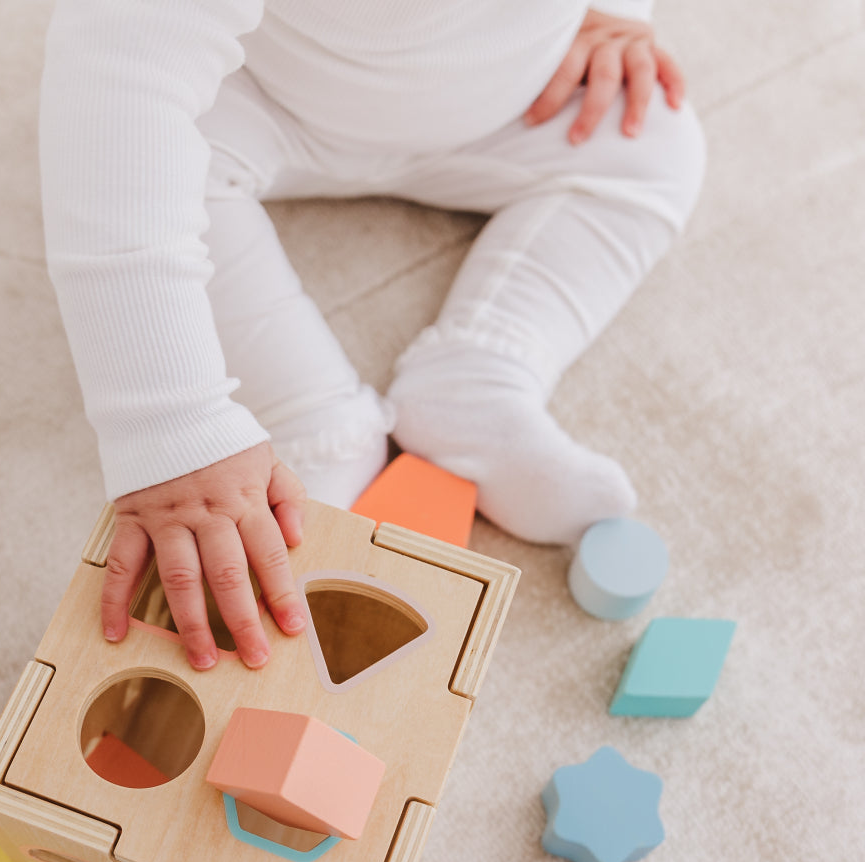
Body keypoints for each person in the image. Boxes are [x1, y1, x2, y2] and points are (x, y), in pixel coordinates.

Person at [39, 0, 705, 672]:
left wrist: (615, 14)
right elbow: (117, 89)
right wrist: (172, 428)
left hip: (509, 103)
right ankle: (313, 414)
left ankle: (479, 373)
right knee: (130, 174)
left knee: (656, 140)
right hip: (265, 100)